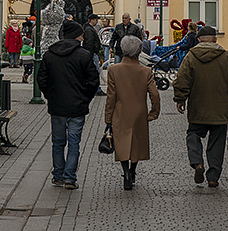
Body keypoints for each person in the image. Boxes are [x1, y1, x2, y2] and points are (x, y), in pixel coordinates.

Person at [172, 23, 228, 189]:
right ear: (215, 40)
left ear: (199, 40)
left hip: (198, 107)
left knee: (193, 134)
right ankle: (213, 177)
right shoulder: (225, 57)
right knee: (217, 142)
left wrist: (180, 99)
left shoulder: (191, 56)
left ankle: (197, 162)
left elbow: (182, 80)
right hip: (220, 109)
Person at [37, 21, 99, 189]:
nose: (83, 36)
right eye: (81, 34)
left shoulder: (49, 55)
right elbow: (93, 81)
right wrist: (85, 98)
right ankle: (70, 178)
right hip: (77, 107)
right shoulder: (84, 55)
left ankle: (58, 175)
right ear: (76, 35)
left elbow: (41, 79)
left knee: (57, 143)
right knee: (74, 143)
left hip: (57, 106)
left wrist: (50, 95)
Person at [104, 35, 160, 190]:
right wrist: (153, 112)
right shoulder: (146, 71)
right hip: (139, 111)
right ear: (139, 51)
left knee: (122, 142)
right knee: (136, 142)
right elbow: (154, 94)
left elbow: (111, 96)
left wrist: (108, 118)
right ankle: (133, 170)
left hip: (120, 111)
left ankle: (126, 171)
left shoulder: (114, 70)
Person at [83, 14, 106, 96]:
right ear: (92, 20)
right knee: (95, 71)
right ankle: (97, 89)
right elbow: (90, 43)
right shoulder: (89, 30)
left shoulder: (88, 29)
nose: (97, 21)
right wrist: (91, 53)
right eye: (96, 20)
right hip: (92, 54)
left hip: (91, 53)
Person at [20, 18, 37, 82]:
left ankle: (24, 77)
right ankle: (27, 75)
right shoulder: (31, 49)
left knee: (25, 70)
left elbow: (21, 55)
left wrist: (20, 62)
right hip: (30, 61)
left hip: (24, 61)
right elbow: (33, 54)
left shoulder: (23, 49)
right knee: (30, 70)